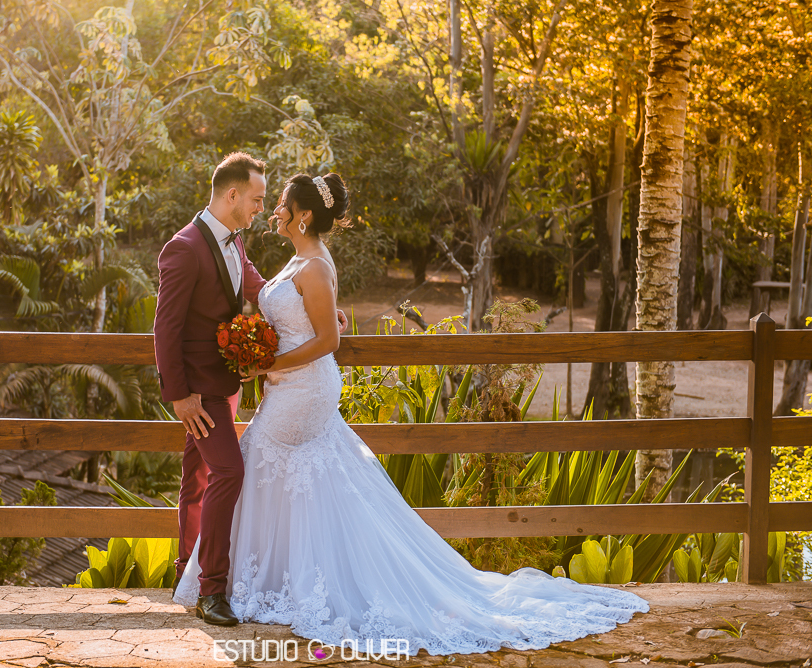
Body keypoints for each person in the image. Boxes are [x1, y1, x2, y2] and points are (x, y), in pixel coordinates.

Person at [173, 172, 650, 655]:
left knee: (264, 467)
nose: (273, 210)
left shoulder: (313, 265)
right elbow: (284, 303)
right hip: (289, 390)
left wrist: (271, 362)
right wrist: (271, 339)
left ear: (303, 215)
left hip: (302, 390)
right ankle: (270, 582)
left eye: (279, 204)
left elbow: (328, 341)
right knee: (281, 475)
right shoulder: (298, 259)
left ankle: (264, 585)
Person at [154, 153, 347, 628]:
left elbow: (260, 289)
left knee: (198, 478)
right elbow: (165, 328)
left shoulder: (234, 240)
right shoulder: (183, 248)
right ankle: (211, 590)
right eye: (258, 199)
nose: (264, 208)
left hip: (227, 386)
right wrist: (179, 396)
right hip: (199, 393)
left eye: (269, 201)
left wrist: (320, 310)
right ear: (233, 194)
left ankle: (188, 570)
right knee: (228, 472)